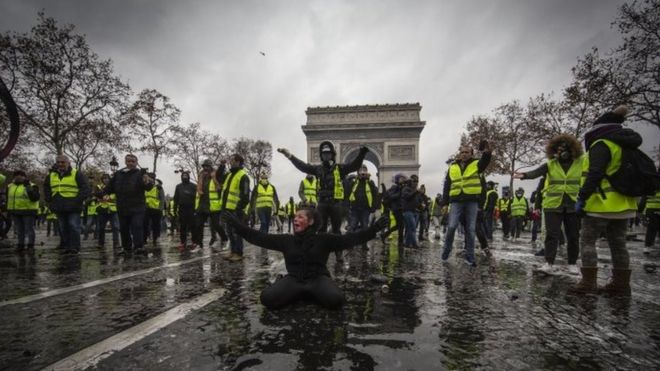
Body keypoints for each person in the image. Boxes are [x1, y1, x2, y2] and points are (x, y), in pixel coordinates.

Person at [222, 208, 389, 309]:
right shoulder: (287, 240)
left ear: (311, 222)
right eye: (295, 217)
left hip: (318, 278)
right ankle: (302, 292)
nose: (295, 219)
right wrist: (236, 224)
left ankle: (306, 293)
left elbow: (350, 239)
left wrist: (374, 229)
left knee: (336, 301)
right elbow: (258, 237)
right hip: (295, 279)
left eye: (300, 217)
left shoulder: (324, 239)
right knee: (267, 299)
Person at [573, 106, 640, 296]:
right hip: (624, 204)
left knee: (587, 241)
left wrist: (582, 197)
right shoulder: (626, 145)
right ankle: (621, 284)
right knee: (618, 244)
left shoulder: (602, 144)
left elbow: (595, 173)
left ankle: (588, 283)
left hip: (599, 204)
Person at [278, 142, 369, 263]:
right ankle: (320, 254)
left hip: (336, 204)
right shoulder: (318, 169)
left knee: (336, 231)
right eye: (324, 154)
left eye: (328, 154)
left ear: (332, 155)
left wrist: (362, 153)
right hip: (322, 204)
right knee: (321, 231)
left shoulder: (340, 168)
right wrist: (290, 156)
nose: (326, 156)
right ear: (321, 156)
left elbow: (354, 166)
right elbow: (303, 166)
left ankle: (339, 254)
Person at [515, 134, 584, 274]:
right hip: (553, 204)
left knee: (573, 235)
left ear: (572, 149)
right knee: (552, 234)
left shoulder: (580, 162)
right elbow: (536, 172)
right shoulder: (551, 164)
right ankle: (549, 262)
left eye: (565, 148)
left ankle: (572, 263)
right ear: (553, 151)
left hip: (573, 204)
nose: (562, 152)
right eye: (558, 149)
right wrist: (524, 175)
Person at [440, 141, 492, 266]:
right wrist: (445, 203)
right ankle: (446, 250)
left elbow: (485, 162)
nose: (464, 154)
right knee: (451, 226)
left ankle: (470, 257)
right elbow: (447, 186)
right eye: (462, 152)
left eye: (466, 152)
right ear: (459, 154)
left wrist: (486, 153)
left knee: (470, 229)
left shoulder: (476, 164)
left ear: (471, 154)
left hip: (471, 200)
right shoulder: (452, 167)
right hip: (456, 200)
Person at [105, 154, 154, 255]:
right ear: (125, 162)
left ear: (136, 163)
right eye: (129, 161)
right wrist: (106, 193)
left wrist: (147, 182)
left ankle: (138, 246)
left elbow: (148, 187)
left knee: (137, 225)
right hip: (122, 206)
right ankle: (126, 247)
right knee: (124, 228)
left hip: (137, 206)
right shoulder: (118, 174)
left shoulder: (141, 174)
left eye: (133, 161)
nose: (130, 163)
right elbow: (110, 187)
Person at [44, 155, 91, 254]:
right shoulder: (51, 175)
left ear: (68, 163)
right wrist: (49, 199)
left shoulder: (77, 173)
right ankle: (67, 245)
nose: (60, 164)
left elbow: (86, 188)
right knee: (63, 227)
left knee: (73, 226)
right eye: (58, 162)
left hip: (73, 206)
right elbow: (46, 187)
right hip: (59, 205)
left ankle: (74, 247)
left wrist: (77, 200)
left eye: (63, 162)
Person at [219, 154, 251, 262]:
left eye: (232, 160)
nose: (230, 162)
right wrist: (222, 166)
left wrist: (239, 208)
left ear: (238, 162)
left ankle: (239, 253)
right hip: (227, 208)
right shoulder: (229, 175)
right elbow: (219, 178)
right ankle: (233, 251)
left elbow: (245, 195)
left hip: (236, 210)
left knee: (236, 232)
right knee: (229, 231)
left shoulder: (243, 176)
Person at [7, 170, 40, 250]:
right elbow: (8, 199)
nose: (18, 177)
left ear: (25, 177)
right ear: (14, 177)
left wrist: (28, 187)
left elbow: (35, 198)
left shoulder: (32, 185)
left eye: (21, 175)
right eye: (16, 175)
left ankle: (30, 245)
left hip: (28, 211)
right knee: (19, 229)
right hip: (15, 211)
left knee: (29, 229)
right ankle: (20, 244)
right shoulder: (10, 186)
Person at [348, 166, 379, 235]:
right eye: (360, 170)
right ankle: (351, 243)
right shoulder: (354, 182)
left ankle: (364, 244)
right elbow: (348, 192)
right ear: (358, 172)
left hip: (366, 208)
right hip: (354, 208)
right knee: (353, 225)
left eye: (364, 170)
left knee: (365, 226)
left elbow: (375, 194)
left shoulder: (370, 182)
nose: (362, 172)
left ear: (367, 172)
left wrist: (373, 207)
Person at [173, 170, 197, 250]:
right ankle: (183, 242)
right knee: (182, 227)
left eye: (186, 176)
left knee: (193, 226)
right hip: (182, 209)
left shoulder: (193, 186)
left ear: (188, 177)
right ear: (181, 177)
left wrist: (196, 209)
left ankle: (194, 242)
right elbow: (176, 198)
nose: (185, 177)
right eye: (183, 176)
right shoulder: (178, 186)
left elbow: (197, 198)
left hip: (192, 208)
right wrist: (175, 210)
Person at [381, 174, 407, 247]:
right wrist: (400, 191)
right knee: (401, 225)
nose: (403, 180)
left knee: (399, 225)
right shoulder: (394, 187)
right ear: (397, 180)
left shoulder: (402, 187)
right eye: (401, 178)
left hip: (400, 208)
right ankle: (400, 242)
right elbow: (392, 196)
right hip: (396, 208)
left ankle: (384, 235)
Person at [95, 174, 120, 248]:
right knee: (101, 227)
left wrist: (110, 199)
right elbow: (95, 194)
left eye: (107, 178)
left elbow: (117, 196)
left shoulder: (115, 187)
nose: (106, 180)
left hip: (113, 209)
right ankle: (101, 243)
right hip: (102, 208)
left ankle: (116, 243)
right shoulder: (99, 187)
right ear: (102, 180)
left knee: (115, 227)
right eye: (104, 178)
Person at [639, 168, 660, 254]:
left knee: (651, 229)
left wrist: (640, 210)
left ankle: (647, 246)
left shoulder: (651, 182)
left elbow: (644, 197)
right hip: (654, 208)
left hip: (651, 209)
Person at [143, 173, 164, 246]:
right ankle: (145, 239)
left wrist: (160, 208)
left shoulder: (158, 187)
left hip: (156, 208)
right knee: (145, 224)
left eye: (152, 177)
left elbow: (162, 198)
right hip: (146, 208)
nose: (150, 179)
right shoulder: (144, 185)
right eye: (149, 177)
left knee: (156, 225)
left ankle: (156, 238)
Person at [401, 174, 422, 248]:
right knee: (413, 227)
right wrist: (416, 192)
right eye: (414, 181)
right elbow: (407, 197)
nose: (416, 183)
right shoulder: (405, 189)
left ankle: (407, 244)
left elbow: (418, 201)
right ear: (410, 181)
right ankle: (415, 244)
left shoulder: (415, 190)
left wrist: (420, 206)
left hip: (415, 211)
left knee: (410, 228)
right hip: (407, 211)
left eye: (417, 181)